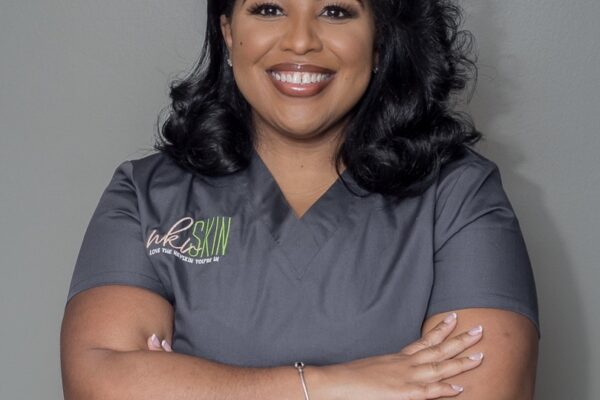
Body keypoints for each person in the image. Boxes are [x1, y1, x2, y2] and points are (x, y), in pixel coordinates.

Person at [60, 0, 540, 399]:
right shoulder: (147, 194)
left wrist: (192, 383)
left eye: (335, 11)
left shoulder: (458, 195)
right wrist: (330, 385)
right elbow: (99, 383)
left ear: (379, 40)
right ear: (228, 33)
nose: (300, 40)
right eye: (269, 9)